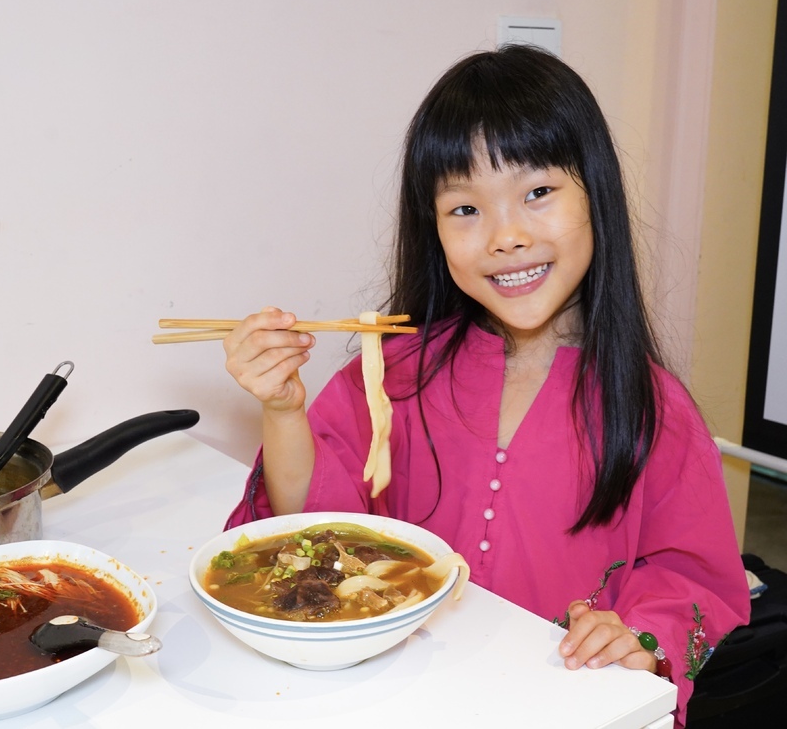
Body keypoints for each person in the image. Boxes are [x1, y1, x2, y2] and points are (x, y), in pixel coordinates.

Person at [220, 44, 750, 727]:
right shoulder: (394, 374)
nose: (505, 236)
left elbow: (695, 578)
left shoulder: (653, 408)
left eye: (537, 193)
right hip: (402, 697)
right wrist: (284, 410)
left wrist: (641, 638)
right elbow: (314, 529)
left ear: (596, 193)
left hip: (562, 702)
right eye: (465, 209)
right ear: (433, 228)